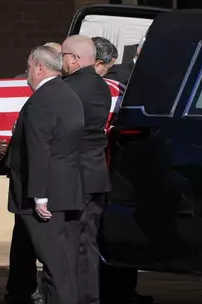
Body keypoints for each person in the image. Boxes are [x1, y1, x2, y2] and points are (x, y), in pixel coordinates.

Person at [5, 45, 84, 304]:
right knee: (63, 264)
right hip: (67, 191)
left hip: (46, 195)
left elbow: (39, 150)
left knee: (54, 264)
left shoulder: (41, 100)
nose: (27, 72)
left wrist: (39, 196)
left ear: (39, 68)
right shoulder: (68, 94)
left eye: (28, 67)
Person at [95, 36, 154, 304]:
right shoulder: (129, 82)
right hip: (119, 169)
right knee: (120, 232)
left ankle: (118, 291)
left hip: (110, 168)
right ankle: (119, 292)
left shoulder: (121, 79)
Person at [61, 35, 112, 304]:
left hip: (74, 176)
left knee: (70, 243)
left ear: (74, 59)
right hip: (95, 174)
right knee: (89, 243)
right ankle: (90, 298)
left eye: (63, 56)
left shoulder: (67, 88)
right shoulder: (102, 86)